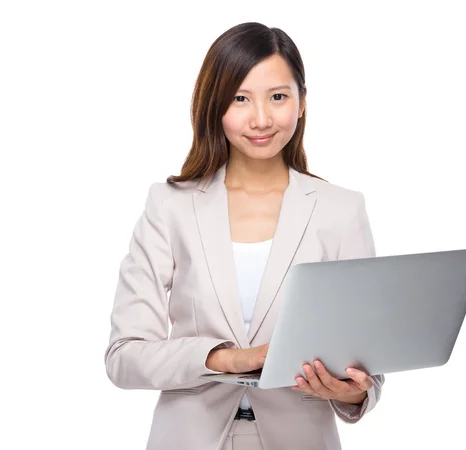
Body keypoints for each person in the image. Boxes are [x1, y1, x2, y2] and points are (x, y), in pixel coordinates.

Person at [104, 22, 384, 450]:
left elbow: (367, 365)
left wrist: (353, 392)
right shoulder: (170, 206)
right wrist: (229, 359)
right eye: (240, 98)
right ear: (214, 105)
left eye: (278, 97)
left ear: (302, 102)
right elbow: (124, 356)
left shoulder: (341, 210)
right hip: (188, 438)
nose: (261, 119)